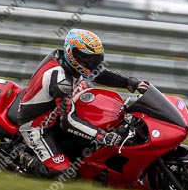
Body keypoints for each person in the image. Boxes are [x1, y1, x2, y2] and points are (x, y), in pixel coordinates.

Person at [17, 28, 148, 178]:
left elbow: (99, 75)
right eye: (86, 58)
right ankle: (24, 157)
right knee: (63, 172)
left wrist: (130, 83)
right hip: (38, 125)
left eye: (94, 59)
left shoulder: (68, 61)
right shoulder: (61, 81)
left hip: (60, 107)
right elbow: (67, 121)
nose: (91, 63)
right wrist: (102, 136)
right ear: (71, 52)